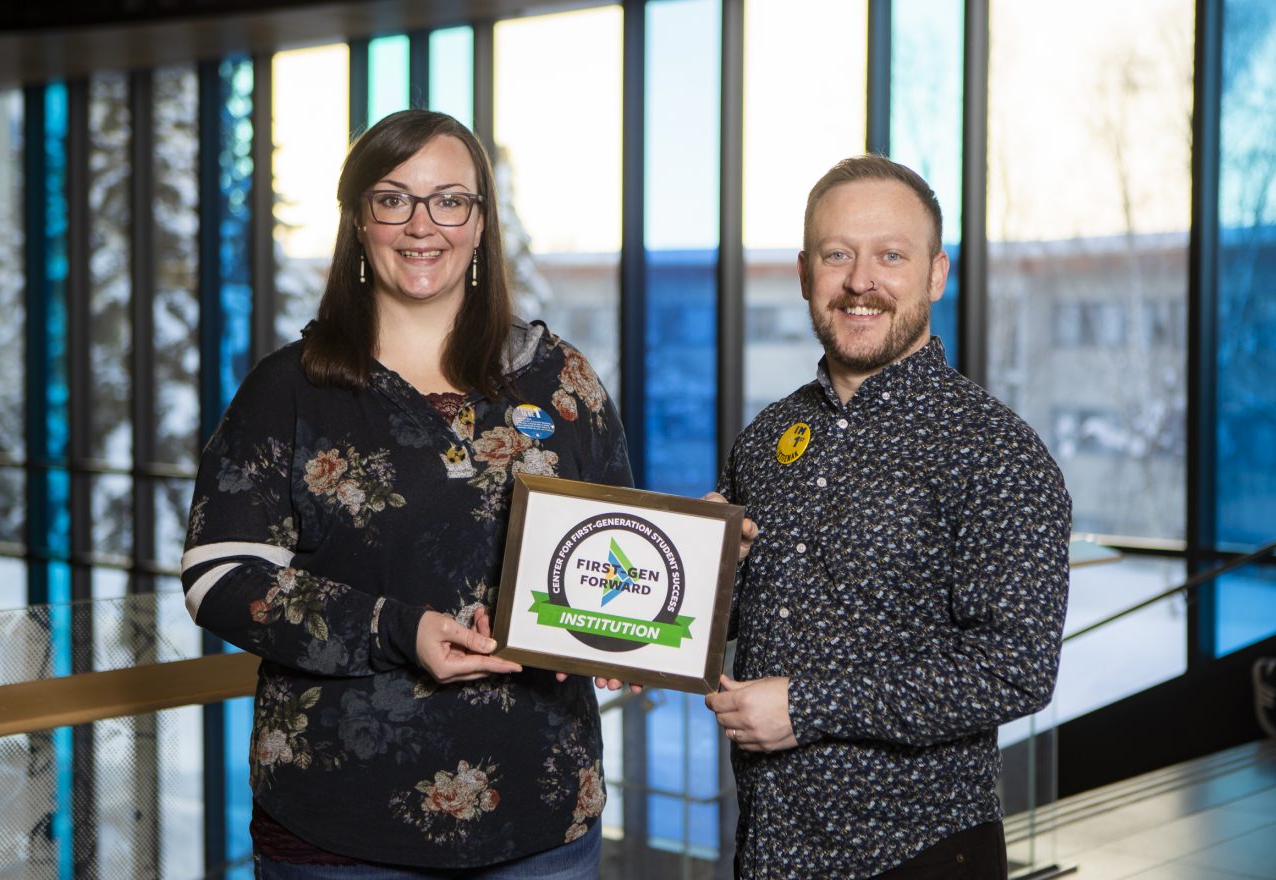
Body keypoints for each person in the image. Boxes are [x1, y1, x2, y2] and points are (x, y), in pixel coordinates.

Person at [181, 109, 632, 878]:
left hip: (543, 815)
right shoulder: (289, 389)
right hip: (341, 830)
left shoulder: (561, 380)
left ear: (481, 221)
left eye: (450, 200)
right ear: (359, 221)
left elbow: (612, 547)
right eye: (393, 199)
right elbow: (219, 578)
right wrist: (398, 629)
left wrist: (610, 634)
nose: (423, 225)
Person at [705, 155, 1072, 879]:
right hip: (769, 849)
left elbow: (1014, 670)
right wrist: (696, 574)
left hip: (917, 854)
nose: (860, 282)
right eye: (838, 255)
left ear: (936, 275)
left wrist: (808, 709)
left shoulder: (995, 451)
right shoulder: (767, 441)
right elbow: (738, 619)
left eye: (890, 256)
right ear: (805, 272)